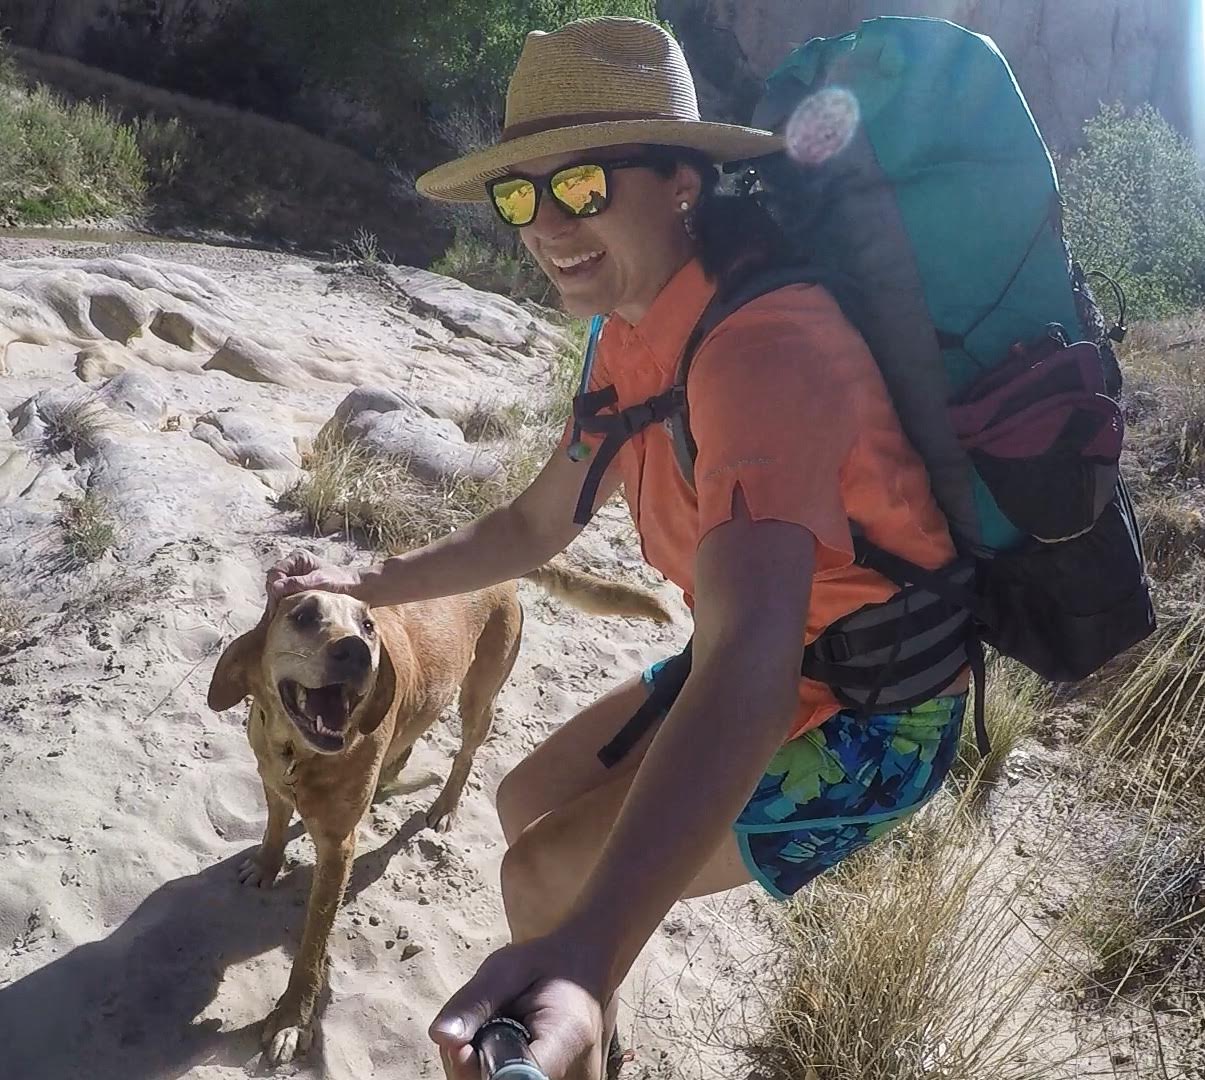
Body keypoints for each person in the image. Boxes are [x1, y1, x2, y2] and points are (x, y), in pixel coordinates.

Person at [266, 17, 969, 1080]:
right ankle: (594, 1036)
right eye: (520, 194)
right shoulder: (628, 331)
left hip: (877, 711)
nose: (545, 223)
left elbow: (746, 655)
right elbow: (530, 527)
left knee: (546, 879)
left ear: (681, 179)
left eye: (582, 185)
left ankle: (576, 1023)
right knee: (519, 807)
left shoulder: (766, 353)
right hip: (776, 661)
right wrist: (362, 583)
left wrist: (589, 951)